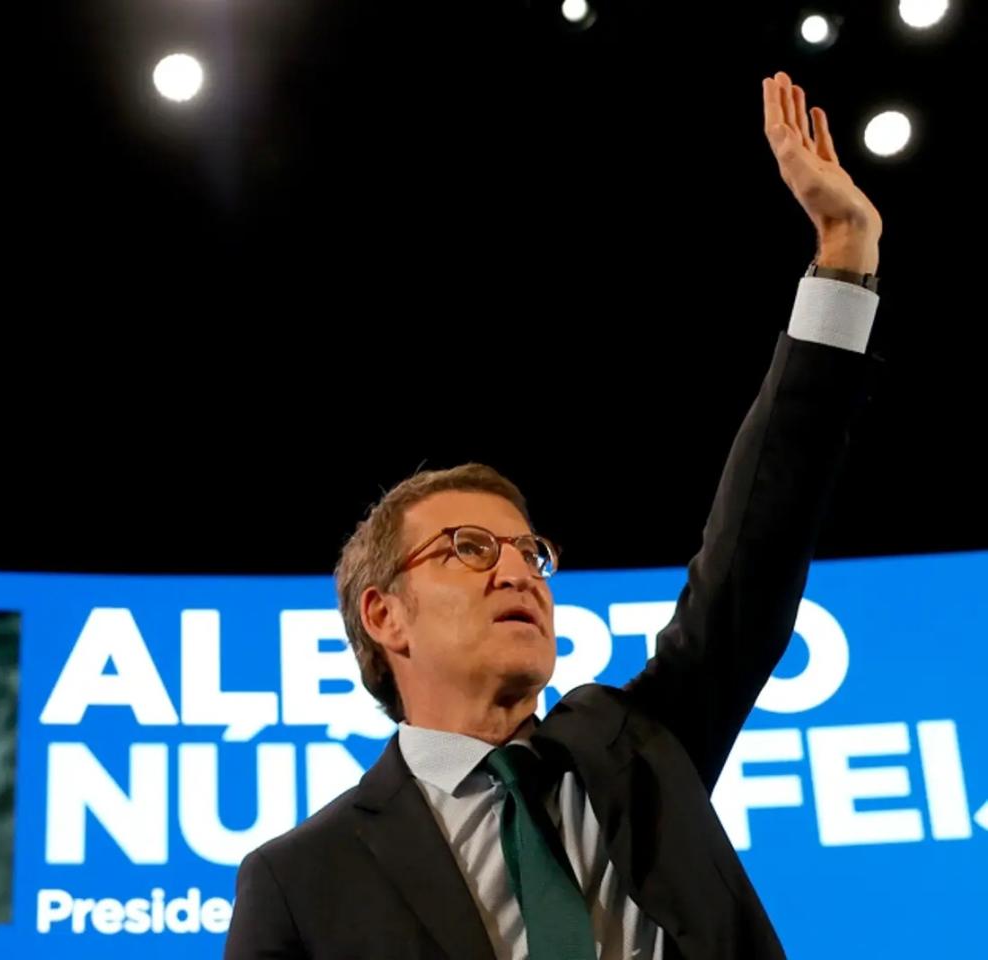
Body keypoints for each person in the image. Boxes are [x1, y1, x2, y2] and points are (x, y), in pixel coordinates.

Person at [223, 72, 883, 960]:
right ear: (385, 616)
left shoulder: (641, 749)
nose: (516, 570)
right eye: (467, 549)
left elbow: (757, 545)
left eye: (529, 551)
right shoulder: (301, 880)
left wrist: (844, 250)